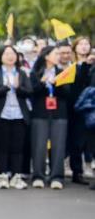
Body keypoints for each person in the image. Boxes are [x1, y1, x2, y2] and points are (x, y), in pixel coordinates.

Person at [29, 46, 71, 189]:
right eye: (56, 53)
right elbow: (32, 92)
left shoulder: (62, 72)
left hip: (59, 114)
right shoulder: (35, 72)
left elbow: (67, 94)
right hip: (40, 114)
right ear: (46, 56)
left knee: (58, 147)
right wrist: (42, 83)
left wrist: (57, 83)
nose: (59, 56)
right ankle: (38, 176)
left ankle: (57, 177)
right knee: (39, 146)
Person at [0, 44, 33, 189]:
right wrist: (6, 87)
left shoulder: (22, 73)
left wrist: (17, 87)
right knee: (2, 147)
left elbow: (29, 91)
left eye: (12, 53)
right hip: (2, 115)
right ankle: (3, 175)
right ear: (1, 56)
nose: (10, 56)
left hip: (19, 115)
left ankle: (16, 176)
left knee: (18, 148)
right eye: (6, 53)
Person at [68, 36, 92, 183]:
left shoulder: (92, 64)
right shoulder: (71, 66)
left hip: (91, 106)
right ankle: (77, 171)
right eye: (81, 44)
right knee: (76, 141)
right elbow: (76, 84)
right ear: (75, 47)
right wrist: (83, 65)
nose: (84, 46)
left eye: (86, 44)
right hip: (75, 107)